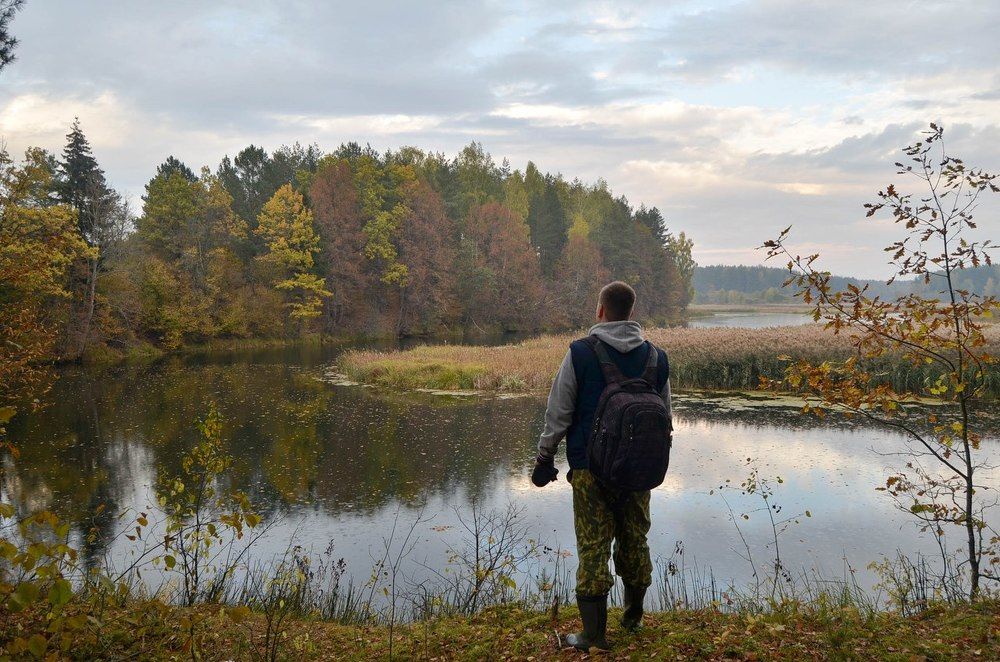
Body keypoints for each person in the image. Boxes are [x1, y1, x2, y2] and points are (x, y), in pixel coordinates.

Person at [531, 281, 672, 652]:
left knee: (593, 549)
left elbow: (558, 412)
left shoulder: (580, 353)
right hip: (639, 472)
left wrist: (545, 457)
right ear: (631, 312)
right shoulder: (657, 358)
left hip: (590, 472)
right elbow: (666, 419)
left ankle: (594, 636)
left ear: (600, 311)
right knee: (635, 539)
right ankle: (633, 619)